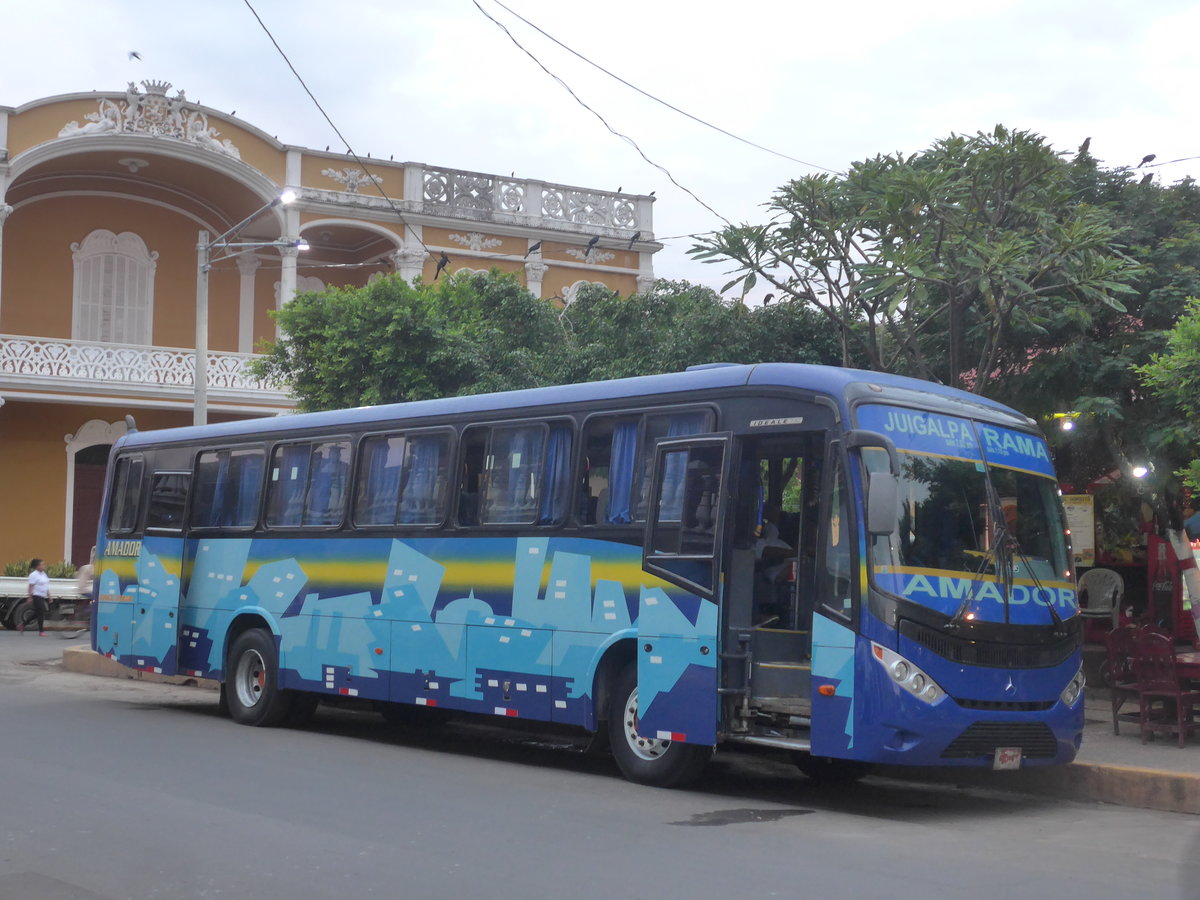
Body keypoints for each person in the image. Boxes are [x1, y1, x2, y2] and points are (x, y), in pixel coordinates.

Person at [24, 558, 51, 636]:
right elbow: (31, 586)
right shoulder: (33, 575)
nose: (44, 566)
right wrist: (30, 597)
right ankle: (41, 631)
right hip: (36, 595)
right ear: (37, 566)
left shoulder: (44, 574)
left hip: (42, 596)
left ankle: (23, 624)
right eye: (42, 565)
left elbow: (46, 586)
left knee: (37, 613)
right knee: (41, 613)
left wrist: (49, 596)